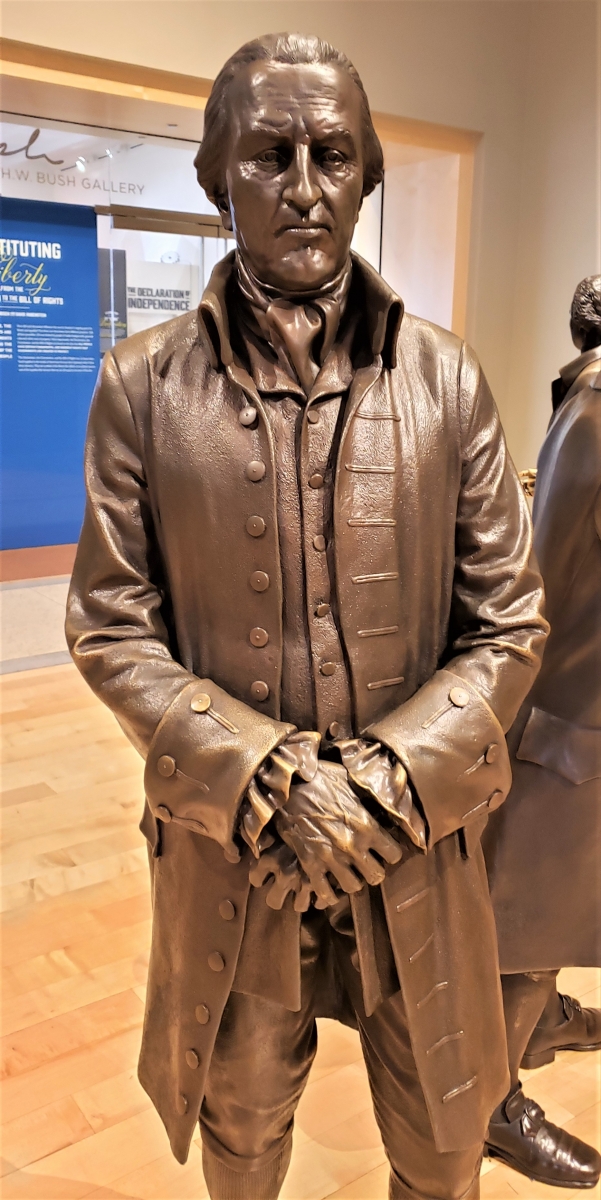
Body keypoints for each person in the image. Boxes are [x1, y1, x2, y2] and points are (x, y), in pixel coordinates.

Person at [67, 34, 549, 1200]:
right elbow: (109, 623)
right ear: (214, 179)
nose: (302, 185)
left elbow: (510, 622)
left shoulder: (447, 379)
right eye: (266, 155)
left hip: (412, 847)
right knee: (241, 1130)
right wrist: (269, 778)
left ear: (368, 173)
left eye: (331, 155)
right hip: (242, 853)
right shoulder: (142, 386)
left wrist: (383, 783)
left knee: (442, 1146)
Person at [484, 276, 601, 1189]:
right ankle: (489, 1103)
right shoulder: (595, 406)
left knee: (562, 899)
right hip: (566, 708)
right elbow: (543, 582)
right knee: (529, 908)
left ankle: (545, 1010)